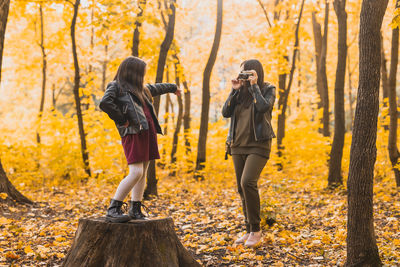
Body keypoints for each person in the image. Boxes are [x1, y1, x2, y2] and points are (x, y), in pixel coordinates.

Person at [99, 56, 180, 223]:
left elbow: (157, 88)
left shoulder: (140, 89)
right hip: (133, 132)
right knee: (136, 172)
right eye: (142, 72)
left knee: (143, 171)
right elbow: (105, 103)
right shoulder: (116, 86)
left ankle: (135, 207)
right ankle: (113, 208)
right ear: (133, 72)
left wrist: (173, 87)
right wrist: (122, 120)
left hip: (147, 132)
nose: (144, 75)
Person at [222, 59, 276, 247]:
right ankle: (248, 230)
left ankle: (256, 230)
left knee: (248, 182)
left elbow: (263, 107)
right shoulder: (239, 93)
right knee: (241, 187)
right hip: (237, 145)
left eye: (247, 73)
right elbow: (225, 113)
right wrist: (234, 90)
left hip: (259, 144)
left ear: (256, 73)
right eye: (242, 73)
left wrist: (254, 87)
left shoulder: (268, 89)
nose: (243, 76)